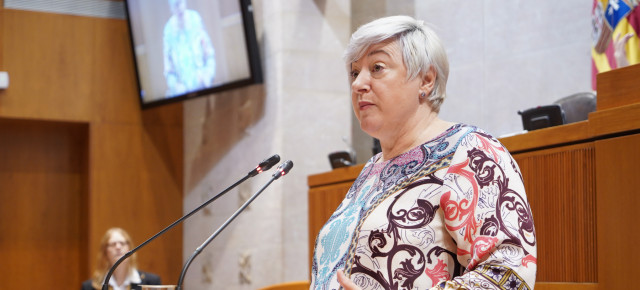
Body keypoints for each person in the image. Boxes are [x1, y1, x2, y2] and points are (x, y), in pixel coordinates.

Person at [310, 15, 537, 289]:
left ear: (426, 80)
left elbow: (509, 275)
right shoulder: (370, 171)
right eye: (354, 72)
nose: (358, 84)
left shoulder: (470, 151)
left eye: (377, 67)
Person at [163, 0, 216, 98]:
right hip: (182, 95)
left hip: (203, 88)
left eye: (180, 2)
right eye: (175, 5)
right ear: (170, 7)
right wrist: (176, 87)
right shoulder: (168, 30)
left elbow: (209, 55)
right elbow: (168, 71)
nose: (178, 7)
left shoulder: (195, 19)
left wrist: (207, 75)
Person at [81, 227, 162, 290]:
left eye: (122, 243)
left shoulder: (151, 282)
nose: (118, 247)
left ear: (130, 248)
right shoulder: (89, 287)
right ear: (105, 252)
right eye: (113, 244)